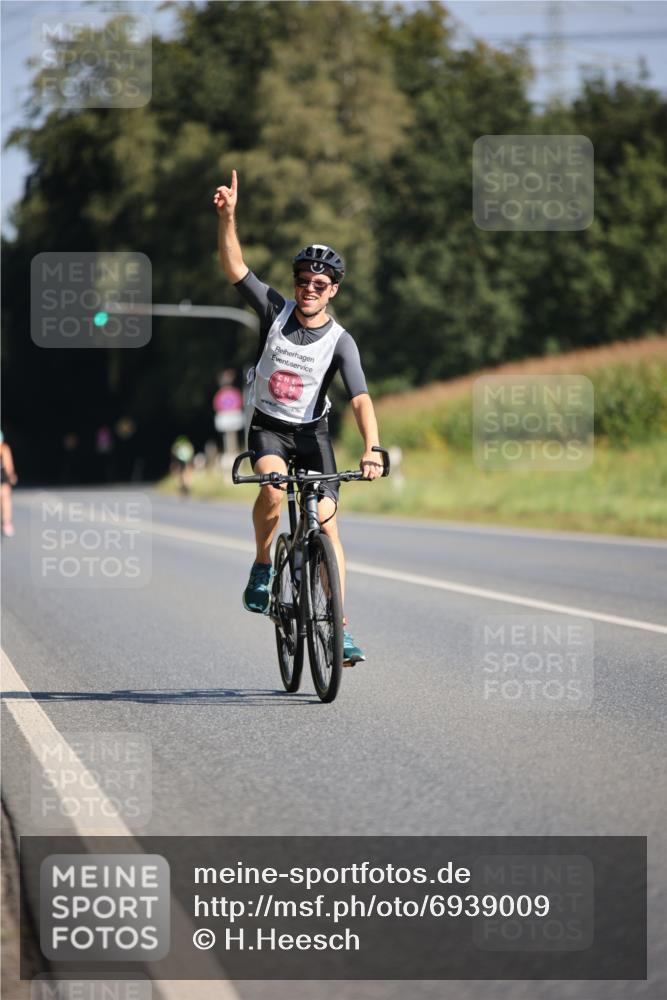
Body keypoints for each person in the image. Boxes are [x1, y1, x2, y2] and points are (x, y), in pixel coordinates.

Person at [214, 169, 383, 665]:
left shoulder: (341, 341)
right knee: (272, 487)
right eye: (304, 280)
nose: (310, 287)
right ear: (296, 284)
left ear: (333, 291)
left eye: (321, 283)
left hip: (313, 435)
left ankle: (340, 626)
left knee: (328, 527)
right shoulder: (273, 311)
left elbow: (360, 398)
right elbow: (235, 266)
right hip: (269, 429)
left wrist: (371, 447)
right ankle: (264, 566)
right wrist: (228, 218)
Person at [0, 432, 18, 537]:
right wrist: (11, 475)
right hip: (3, 478)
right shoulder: (5, 448)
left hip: (3, 478)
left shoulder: (4, 449)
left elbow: (8, 464)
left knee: (5, 498)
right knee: (6, 499)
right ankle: (7, 523)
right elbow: (9, 465)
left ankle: (6, 522)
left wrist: (11, 475)